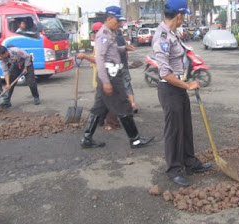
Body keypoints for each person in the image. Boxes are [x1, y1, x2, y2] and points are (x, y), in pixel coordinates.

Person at [152, 0, 212, 187]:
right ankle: (174, 169)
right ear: (178, 15)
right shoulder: (162, 37)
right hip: (170, 88)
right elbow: (165, 73)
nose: (184, 18)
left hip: (179, 85)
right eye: (184, 15)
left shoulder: (172, 33)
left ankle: (189, 162)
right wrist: (186, 86)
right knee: (174, 130)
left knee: (185, 127)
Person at [80, 6, 154, 149]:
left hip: (109, 75)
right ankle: (135, 140)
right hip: (110, 76)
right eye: (117, 20)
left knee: (99, 108)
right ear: (109, 18)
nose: (119, 23)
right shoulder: (103, 35)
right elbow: (100, 59)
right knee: (124, 106)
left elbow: (111, 51)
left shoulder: (110, 33)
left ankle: (86, 138)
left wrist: (124, 48)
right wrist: (106, 82)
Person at [77, 22, 122, 131]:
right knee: (102, 101)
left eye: (93, 32)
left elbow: (98, 60)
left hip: (105, 76)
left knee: (107, 102)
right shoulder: (100, 42)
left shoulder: (102, 41)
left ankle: (111, 123)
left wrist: (85, 56)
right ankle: (99, 122)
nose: (92, 35)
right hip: (102, 76)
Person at [117, 16, 138, 113]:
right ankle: (132, 104)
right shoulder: (120, 33)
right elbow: (125, 49)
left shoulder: (114, 34)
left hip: (117, 65)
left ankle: (127, 105)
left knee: (119, 86)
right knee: (127, 85)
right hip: (122, 63)